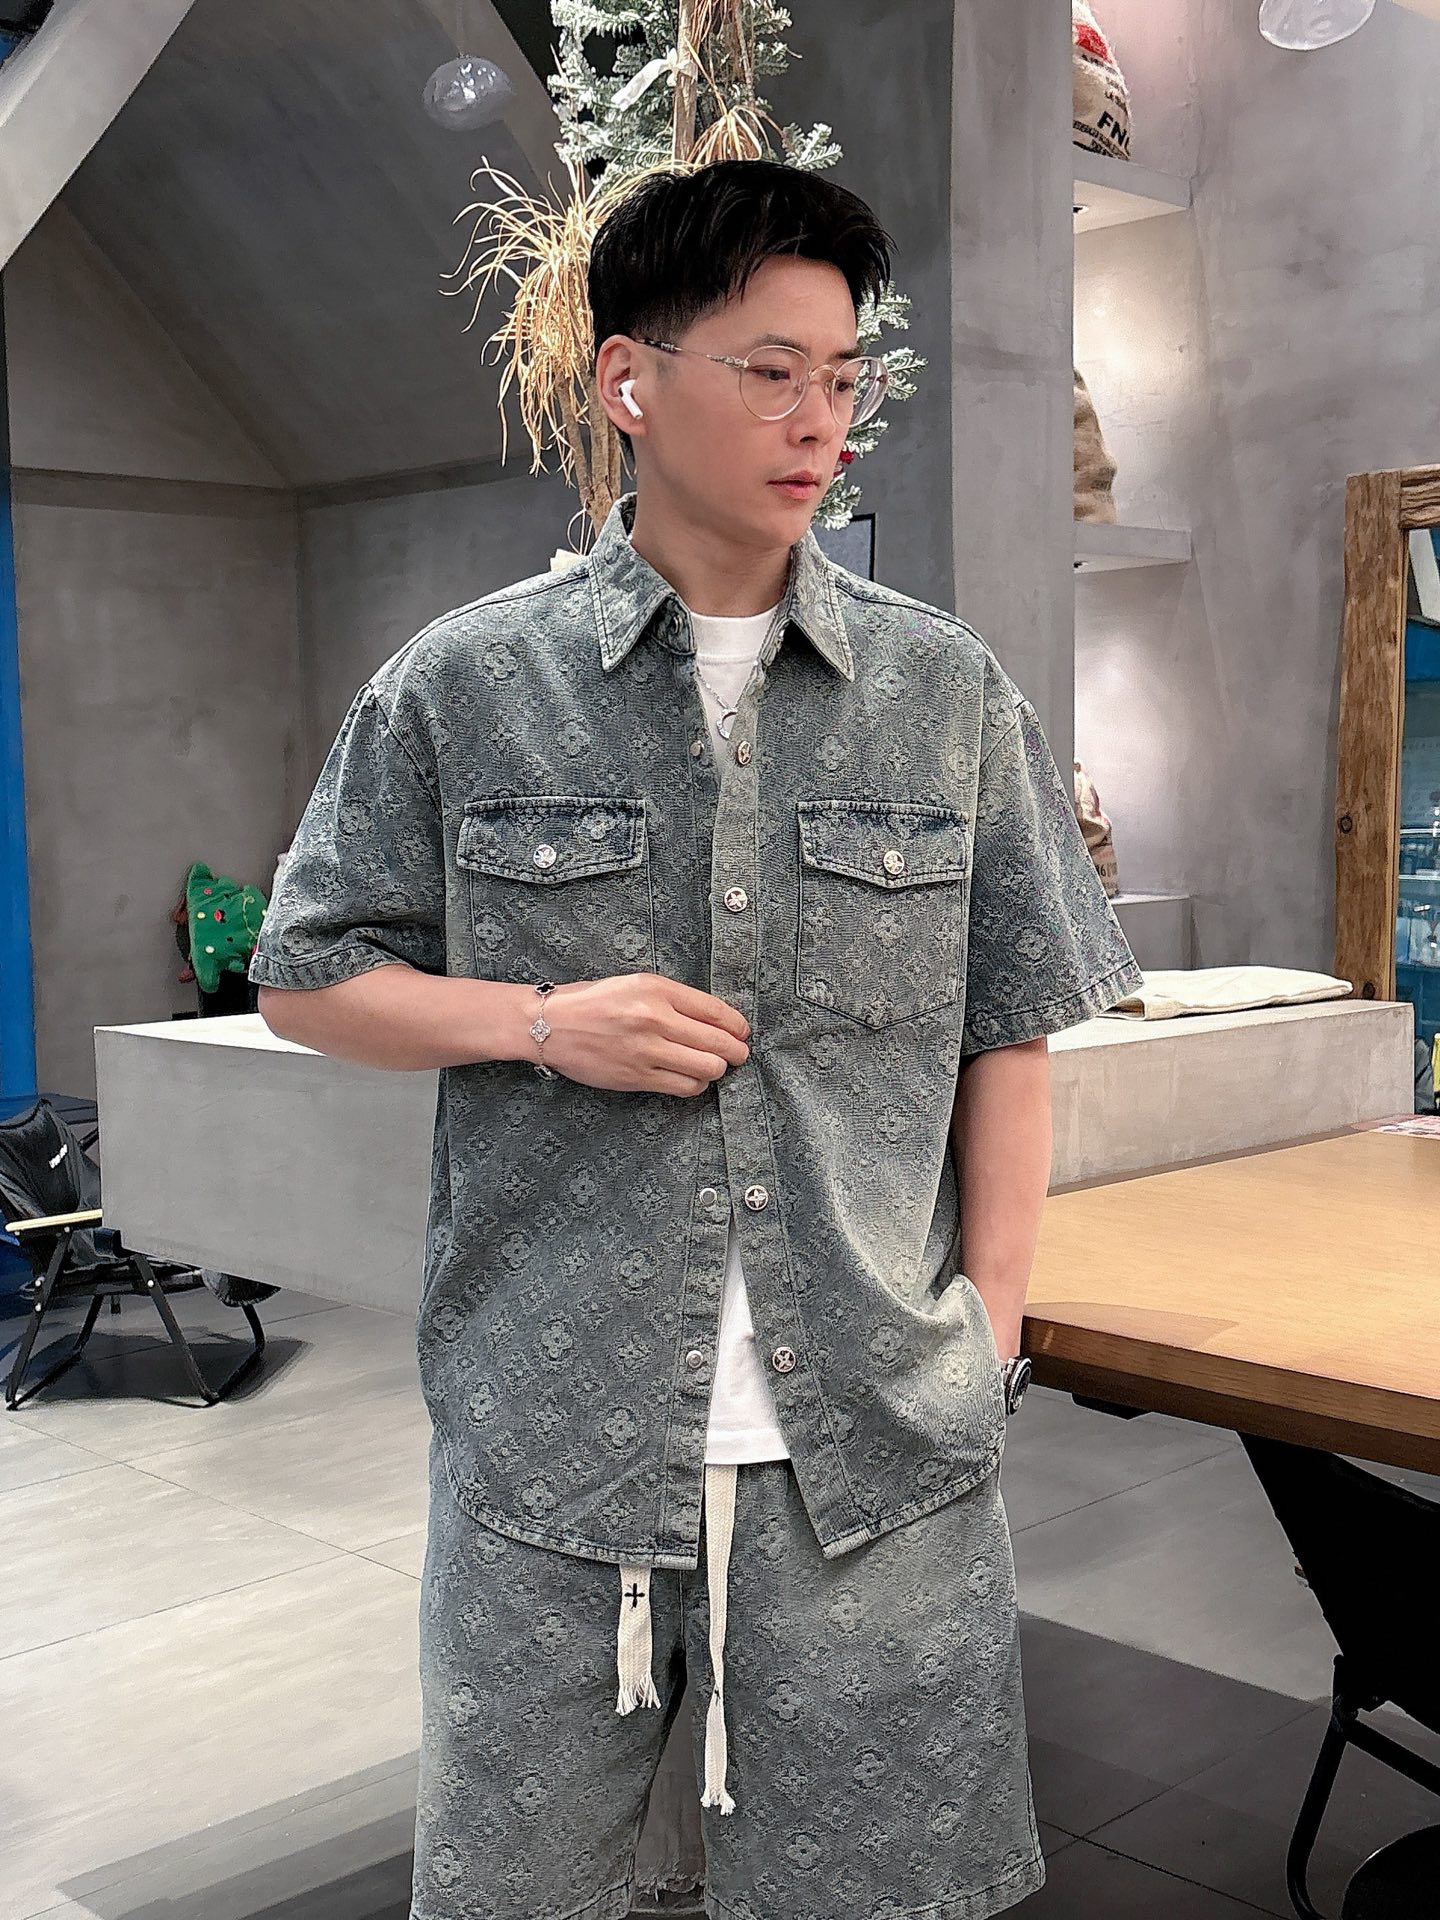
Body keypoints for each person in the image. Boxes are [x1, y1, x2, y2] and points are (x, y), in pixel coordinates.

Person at [250, 156, 1142, 1920]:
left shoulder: (946, 694)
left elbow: (1011, 1028)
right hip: (553, 1440)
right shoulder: (465, 685)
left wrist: (992, 1328)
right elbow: (305, 973)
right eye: (770, 369)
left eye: (843, 376)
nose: (820, 419)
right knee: (524, 1893)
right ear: (630, 381)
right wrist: (538, 1020)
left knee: (880, 1892)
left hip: (874, 1447)